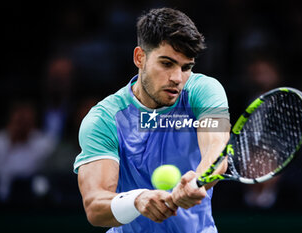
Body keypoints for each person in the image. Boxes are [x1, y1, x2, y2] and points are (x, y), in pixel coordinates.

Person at [74, 8, 230, 233]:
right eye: (166, 64)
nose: (177, 78)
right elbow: (95, 206)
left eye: (186, 67)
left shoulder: (204, 90)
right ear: (140, 57)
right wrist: (137, 200)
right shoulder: (104, 118)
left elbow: (217, 147)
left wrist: (198, 180)